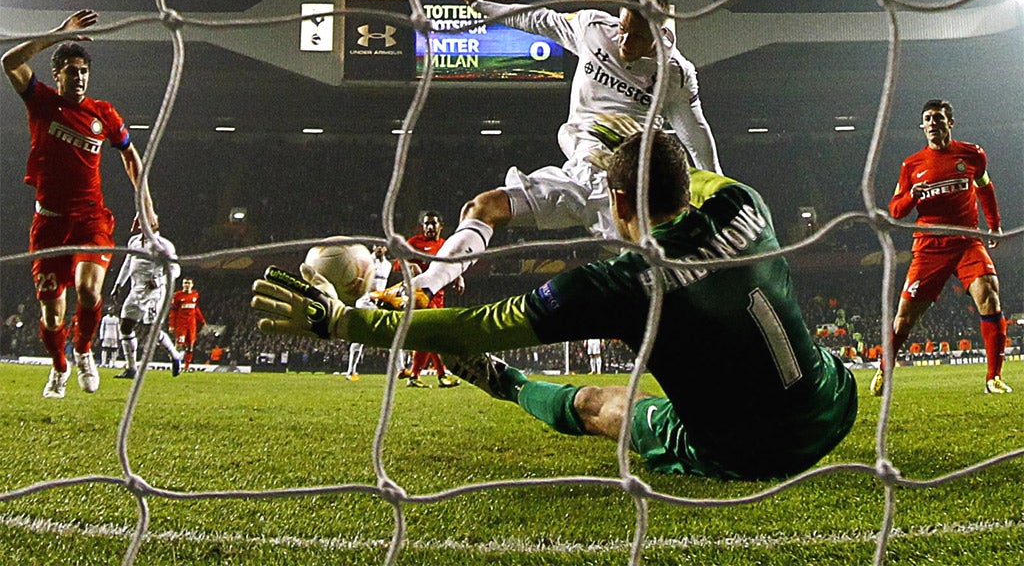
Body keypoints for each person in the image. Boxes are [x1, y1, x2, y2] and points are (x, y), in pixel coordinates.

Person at [253, 125, 857, 481]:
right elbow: (695, 177)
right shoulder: (744, 200)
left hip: (751, 453)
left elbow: (472, 325)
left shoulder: (621, 281)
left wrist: (339, 321)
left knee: (600, 404)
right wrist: (642, 150)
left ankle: (509, 385)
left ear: (618, 202)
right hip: (836, 402)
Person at [376, 0, 721, 311]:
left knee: (664, 278)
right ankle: (423, 288)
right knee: (482, 207)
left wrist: (721, 190)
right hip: (577, 175)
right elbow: (539, 19)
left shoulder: (675, 73)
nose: (625, 40)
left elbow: (695, 132)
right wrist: (481, 5)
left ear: (660, 32)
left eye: (638, 35)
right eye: (624, 26)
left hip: (625, 192)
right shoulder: (593, 29)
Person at [2, 9, 157, 399]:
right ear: (57, 74)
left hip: (92, 219)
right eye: (71, 70)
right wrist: (57, 34)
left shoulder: (102, 113)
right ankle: (59, 367)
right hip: (50, 224)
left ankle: (85, 351)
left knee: (89, 291)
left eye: (84, 71)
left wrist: (146, 205)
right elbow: (9, 61)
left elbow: (130, 155)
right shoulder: (41, 102)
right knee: (52, 315)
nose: (79, 77)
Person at [874, 99, 1010, 396]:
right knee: (906, 318)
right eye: (927, 118)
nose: (932, 123)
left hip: (966, 241)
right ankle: (885, 369)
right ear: (922, 126)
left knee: (990, 296)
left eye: (938, 117)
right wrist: (911, 195)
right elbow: (896, 211)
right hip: (929, 247)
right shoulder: (912, 165)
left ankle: (993, 378)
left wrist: (995, 224)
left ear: (950, 122)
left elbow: (985, 187)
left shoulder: (972, 154)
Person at [395, 212, 461, 388]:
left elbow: (452, 266)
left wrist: (458, 277)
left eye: (433, 224)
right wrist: (409, 265)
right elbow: (397, 263)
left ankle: (415, 375)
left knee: (428, 338)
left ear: (441, 226)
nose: (429, 227)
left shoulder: (444, 245)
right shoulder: (415, 243)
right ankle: (441, 374)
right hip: (420, 296)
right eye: (426, 224)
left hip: (439, 295)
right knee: (435, 333)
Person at [110, 228, 184, 379]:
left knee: (153, 331)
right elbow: (127, 263)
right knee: (125, 326)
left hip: (154, 294)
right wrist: (118, 285)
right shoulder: (134, 241)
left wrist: (158, 281)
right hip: (135, 290)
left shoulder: (163, 244)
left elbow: (175, 269)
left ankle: (175, 356)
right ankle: (131, 368)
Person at [346, 245, 393, 381]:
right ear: (373, 247)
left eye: (382, 246)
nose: (379, 248)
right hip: (364, 302)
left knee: (390, 334)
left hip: (378, 304)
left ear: (386, 248)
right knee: (359, 338)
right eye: (377, 246)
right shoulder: (365, 261)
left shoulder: (388, 265)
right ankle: (351, 371)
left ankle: (399, 369)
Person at [169, 277, 205, 372]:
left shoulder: (195, 295)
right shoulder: (177, 295)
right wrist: (171, 325)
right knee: (179, 345)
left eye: (188, 283)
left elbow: (195, 309)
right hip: (181, 324)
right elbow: (173, 311)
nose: (186, 285)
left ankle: (186, 367)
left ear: (192, 285)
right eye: (185, 283)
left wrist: (202, 320)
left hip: (191, 325)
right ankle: (176, 366)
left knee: (190, 346)